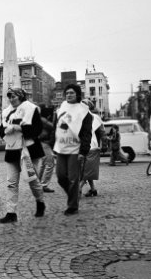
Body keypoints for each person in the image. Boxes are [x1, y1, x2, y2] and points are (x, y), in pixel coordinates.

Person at [0, 88, 46, 223]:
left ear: (21, 97)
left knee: (32, 180)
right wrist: (4, 131)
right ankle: (11, 212)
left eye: (14, 96)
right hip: (12, 149)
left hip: (30, 149)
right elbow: (1, 128)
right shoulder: (6, 111)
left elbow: (37, 129)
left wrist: (19, 128)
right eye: (9, 97)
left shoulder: (32, 109)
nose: (12, 99)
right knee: (11, 182)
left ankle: (40, 201)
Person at [53, 84, 92, 216]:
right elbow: (56, 127)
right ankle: (74, 195)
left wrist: (83, 151)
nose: (69, 95)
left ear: (77, 94)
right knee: (60, 176)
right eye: (67, 93)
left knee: (73, 179)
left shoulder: (84, 111)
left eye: (72, 93)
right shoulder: (62, 107)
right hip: (61, 148)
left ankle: (72, 206)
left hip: (75, 149)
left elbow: (87, 133)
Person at [79, 99, 105, 197]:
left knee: (87, 170)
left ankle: (79, 188)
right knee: (86, 169)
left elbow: (102, 132)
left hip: (91, 147)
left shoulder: (95, 117)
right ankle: (93, 189)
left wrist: (104, 145)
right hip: (81, 147)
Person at [37, 104, 56, 193]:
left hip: (40, 143)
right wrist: (53, 117)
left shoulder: (38, 119)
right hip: (44, 142)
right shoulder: (42, 119)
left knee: (44, 164)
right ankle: (44, 185)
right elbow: (53, 126)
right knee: (50, 163)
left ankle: (38, 183)